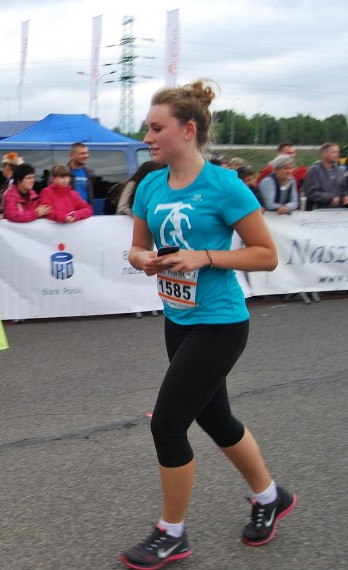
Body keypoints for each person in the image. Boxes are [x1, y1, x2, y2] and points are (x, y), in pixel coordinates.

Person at [122, 79, 296, 569]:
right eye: (147, 127)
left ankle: (171, 533)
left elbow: (266, 255)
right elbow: (135, 248)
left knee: (169, 425)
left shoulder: (224, 185)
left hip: (220, 324)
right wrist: (146, 260)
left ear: (188, 129)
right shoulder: (151, 183)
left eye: (157, 128)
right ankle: (270, 497)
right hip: (176, 320)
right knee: (216, 419)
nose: (148, 136)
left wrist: (205, 256)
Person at [304, 142, 346, 210]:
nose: (337, 154)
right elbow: (310, 192)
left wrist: (345, 196)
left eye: (338, 152)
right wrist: (331, 198)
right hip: (319, 213)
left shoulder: (339, 170)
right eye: (334, 152)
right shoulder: (314, 170)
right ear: (324, 154)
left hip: (338, 212)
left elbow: (343, 188)